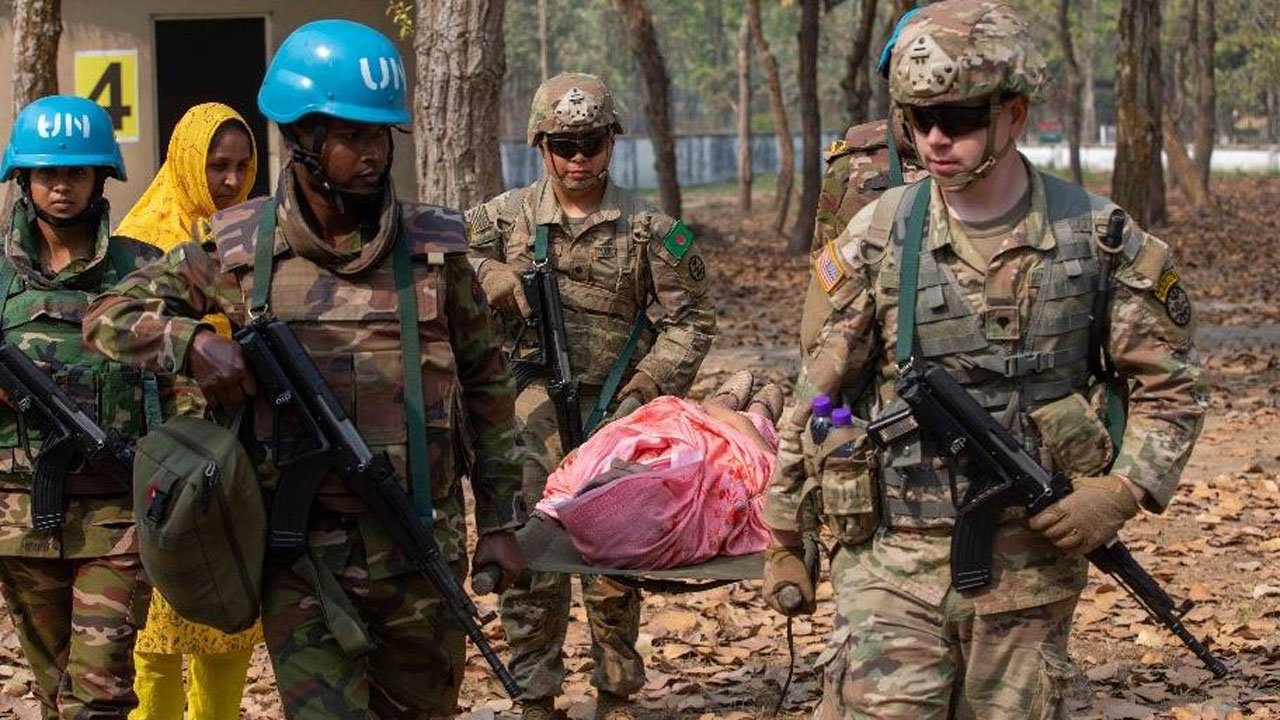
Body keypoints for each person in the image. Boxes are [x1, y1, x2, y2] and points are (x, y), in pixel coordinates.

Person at [760, 2, 1208, 718]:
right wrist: (786, 534)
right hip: (887, 561)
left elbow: (1171, 389)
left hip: (1030, 566)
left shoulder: (1098, 240)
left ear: (1015, 113)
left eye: (960, 118)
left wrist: (1121, 492)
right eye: (917, 119)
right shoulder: (878, 236)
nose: (935, 139)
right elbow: (817, 393)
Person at [82, 19, 526, 719]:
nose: (374, 152)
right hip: (301, 561)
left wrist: (502, 517)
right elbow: (105, 317)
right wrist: (193, 340)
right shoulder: (236, 249)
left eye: (382, 135)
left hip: (419, 549)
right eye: (354, 135)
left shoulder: (435, 254)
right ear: (302, 138)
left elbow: (489, 387)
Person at [466, 72, 716, 720]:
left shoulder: (650, 230)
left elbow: (692, 319)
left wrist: (648, 388)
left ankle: (616, 690)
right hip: (532, 415)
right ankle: (535, 692)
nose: (579, 159)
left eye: (593, 143)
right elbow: (434, 248)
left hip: (617, 417)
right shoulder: (507, 218)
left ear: (612, 142)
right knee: (530, 556)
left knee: (614, 561)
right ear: (540, 146)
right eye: (564, 145)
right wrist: (487, 270)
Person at [0, 95, 183, 719]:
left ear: (100, 177)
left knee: (98, 692)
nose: (61, 185)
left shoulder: (140, 269)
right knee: (57, 692)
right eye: (47, 172)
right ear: (22, 178)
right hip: (20, 516)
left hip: (117, 509)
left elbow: (183, 384)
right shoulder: (0, 276)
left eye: (76, 172)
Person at [113, 102, 262, 720]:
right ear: (185, 162)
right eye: (216, 165)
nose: (229, 180)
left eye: (242, 166)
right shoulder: (140, 239)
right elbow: (119, 337)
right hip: (160, 458)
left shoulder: (253, 235)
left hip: (233, 454)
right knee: (154, 636)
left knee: (225, 621)